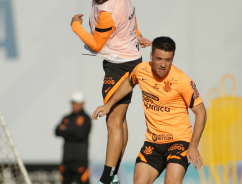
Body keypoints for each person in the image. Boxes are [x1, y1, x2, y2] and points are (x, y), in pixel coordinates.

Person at [92, 36, 207, 184]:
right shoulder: (141, 70)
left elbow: (201, 112)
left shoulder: (182, 80)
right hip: (153, 142)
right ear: (151, 56)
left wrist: (193, 146)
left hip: (179, 141)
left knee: (171, 181)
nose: (163, 64)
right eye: (159, 59)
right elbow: (128, 83)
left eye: (168, 60)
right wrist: (109, 105)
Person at [71, 0, 151, 183]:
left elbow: (96, 45)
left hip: (119, 66)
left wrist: (75, 25)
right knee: (120, 119)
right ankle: (113, 172)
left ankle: (107, 178)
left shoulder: (108, 13)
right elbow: (131, 14)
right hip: (129, 59)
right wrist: (135, 34)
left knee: (113, 121)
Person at [55, 91, 92, 184]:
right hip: (67, 160)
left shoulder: (86, 118)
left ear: (82, 104)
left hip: (81, 161)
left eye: (77, 103)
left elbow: (81, 134)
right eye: (73, 103)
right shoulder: (67, 117)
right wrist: (72, 130)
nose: (75, 106)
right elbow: (56, 131)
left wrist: (66, 130)